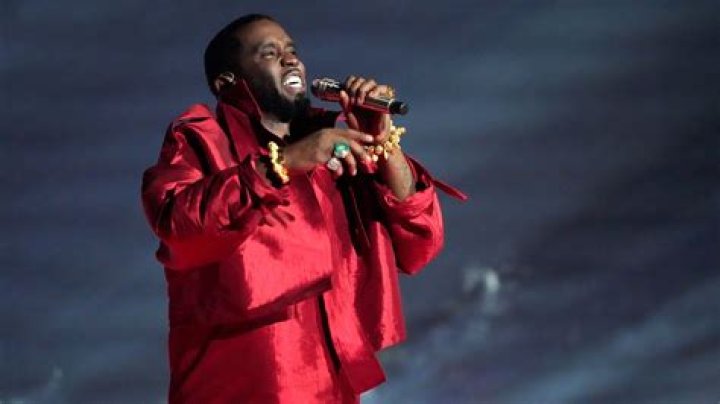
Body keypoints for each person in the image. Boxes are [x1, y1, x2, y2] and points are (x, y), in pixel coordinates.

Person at [141, 13, 464, 403]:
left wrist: (382, 144)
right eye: (269, 53)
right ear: (227, 83)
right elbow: (178, 225)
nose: (290, 59)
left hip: (330, 389)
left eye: (292, 50)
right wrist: (286, 162)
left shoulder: (332, 147)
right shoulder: (203, 140)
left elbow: (419, 242)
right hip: (238, 388)